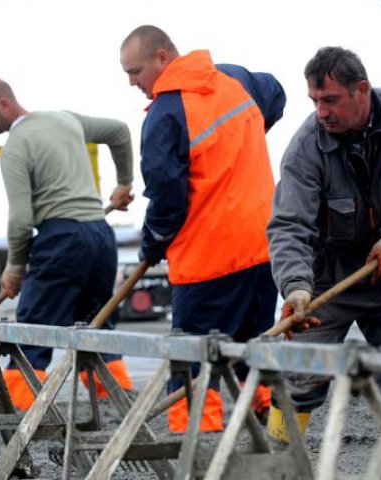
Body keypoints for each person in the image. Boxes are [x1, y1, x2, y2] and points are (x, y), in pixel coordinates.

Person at [266, 46, 381, 441]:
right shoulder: (305, 150)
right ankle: (277, 459)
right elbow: (289, 225)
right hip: (327, 280)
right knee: (297, 376)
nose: (321, 112)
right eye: (315, 101)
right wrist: (296, 287)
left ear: (362, 90)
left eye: (330, 99)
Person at [119, 25, 286, 433]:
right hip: (262, 250)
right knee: (253, 340)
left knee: (192, 356)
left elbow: (167, 200)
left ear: (162, 57)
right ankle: (272, 420)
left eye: (136, 72)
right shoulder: (234, 79)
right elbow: (277, 93)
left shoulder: (165, 114)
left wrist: (151, 246)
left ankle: (199, 436)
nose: (132, 83)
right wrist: (244, 144)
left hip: (208, 261)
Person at [0, 76, 136, 410]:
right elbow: (119, 131)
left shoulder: (16, 148)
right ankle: (113, 400)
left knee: (34, 326)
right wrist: (123, 182)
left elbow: (20, 219)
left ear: (3, 104)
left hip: (62, 238)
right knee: (97, 323)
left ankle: (16, 408)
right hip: (100, 236)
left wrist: (14, 267)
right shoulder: (65, 119)